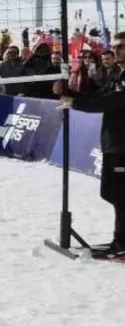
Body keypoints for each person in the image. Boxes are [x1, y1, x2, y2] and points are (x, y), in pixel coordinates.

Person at [59, 32, 125, 258]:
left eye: (122, 47)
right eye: (115, 46)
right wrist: (70, 92)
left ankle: (122, 244)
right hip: (114, 142)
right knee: (113, 193)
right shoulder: (119, 73)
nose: (116, 51)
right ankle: (120, 241)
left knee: (121, 194)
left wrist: (75, 102)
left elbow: (110, 100)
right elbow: (100, 94)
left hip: (122, 145)